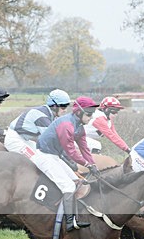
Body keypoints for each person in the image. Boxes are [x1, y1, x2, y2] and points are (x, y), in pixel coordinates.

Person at [34, 96, 100, 231]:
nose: (91, 117)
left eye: (92, 114)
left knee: (77, 182)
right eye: (89, 114)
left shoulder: (79, 127)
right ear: (79, 112)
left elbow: (84, 148)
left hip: (54, 156)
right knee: (68, 186)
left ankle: (76, 216)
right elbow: (71, 152)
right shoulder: (66, 125)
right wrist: (87, 165)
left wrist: (93, 165)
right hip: (44, 156)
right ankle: (69, 222)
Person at [4, 89, 70, 157]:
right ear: (54, 106)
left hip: (25, 140)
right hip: (15, 140)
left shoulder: (51, 115)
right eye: (63, 107)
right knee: (36, 159)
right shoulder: (42, 116)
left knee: (41, 156)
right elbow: (53, 141)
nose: (65, 110)